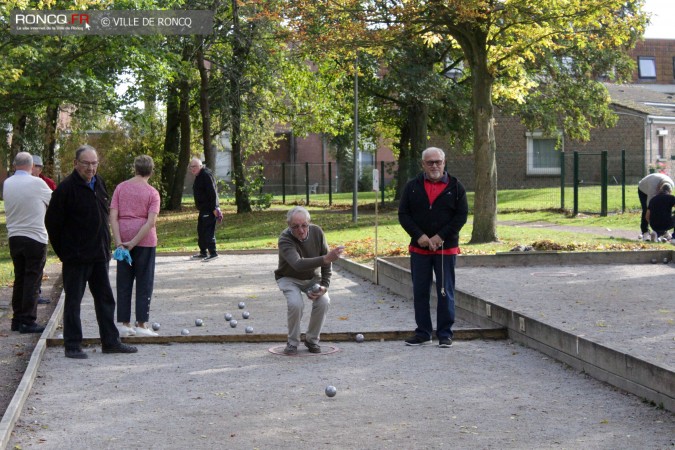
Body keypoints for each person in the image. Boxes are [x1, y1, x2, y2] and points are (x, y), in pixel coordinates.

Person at [45, 145, 137, 359]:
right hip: (76, 257)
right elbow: (52, 223)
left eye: (94, 163)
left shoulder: (100, 183)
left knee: (105, 299)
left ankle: (111, 341)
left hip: (99, 255)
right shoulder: (66, 189)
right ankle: (73, 345)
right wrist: (65, 253)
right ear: (76, 164)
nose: (90, 167)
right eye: (86, 163)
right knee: (73, 301)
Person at [398, 147, 468, 348]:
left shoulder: (456, 187)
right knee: (420, 291)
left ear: (444, 162)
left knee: (445, 290)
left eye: (438, 161)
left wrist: (440, 237)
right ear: (423, 165)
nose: (434, 166)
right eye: (430, 162)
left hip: (446, 249)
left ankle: (445, 334)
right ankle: (423, 333)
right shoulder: (412, 186)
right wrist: (419, 236)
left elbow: (461, 216)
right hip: (419, 249)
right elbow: (404, 215)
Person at [274, 206, 344, 355]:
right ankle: (292, 342)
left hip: (312, 278)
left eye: (304, 225)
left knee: (324, 301)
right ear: (289, 226)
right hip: (288, 277)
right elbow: (298, 264)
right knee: (295, 303)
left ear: (309, 223)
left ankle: (312, 340)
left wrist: (325, 285)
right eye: (296, 226)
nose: (301, 230)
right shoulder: (285, 239)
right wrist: (325, 258)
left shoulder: (317, 232)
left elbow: (327, 262)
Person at [110, 155, 161, 337]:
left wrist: (119, 242)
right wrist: (134, 242)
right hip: (145, 241)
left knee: (124, 282)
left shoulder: (120, 188)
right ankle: (141, 324)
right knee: (144, 281)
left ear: (135, 169)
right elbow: (150, 223)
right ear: (151, 171)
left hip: (122, 239)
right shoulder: (152, 193)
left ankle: (124, 323)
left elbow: (113, 217)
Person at [4, 152, 53, 334]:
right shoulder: (37, 183)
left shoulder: (7, 183)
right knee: (33, 278)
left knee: (20, 278)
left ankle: (17, 320)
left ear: (15, 165)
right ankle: (28, 320)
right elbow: (54, 201)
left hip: (14, 236)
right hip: (35, 236)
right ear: (32, 166)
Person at [31, 155, 56, 304]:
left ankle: (36, 292)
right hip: (30, 226)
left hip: (44, 224)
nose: (34, 169)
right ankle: (33, 294)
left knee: (39, 262)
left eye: (37, 167)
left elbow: (56, 200)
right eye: (33, 166)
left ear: (40, 169)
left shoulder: (46, 183)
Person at [188, 157, 220, 262]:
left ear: (200, 166)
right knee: (201, 230)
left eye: (195, 166)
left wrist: (215, 207)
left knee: (208, 231)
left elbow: (212, 192)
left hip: (209, 209)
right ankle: (203, 252)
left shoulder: (206, 175)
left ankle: (213, 253)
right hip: (203, 209)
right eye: (191, 167)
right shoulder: (199, 176)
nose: (192, 169)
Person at [638, 173, 674, 241]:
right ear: (660, 188)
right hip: (643, 189)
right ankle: (645, 232)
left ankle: (662, 231)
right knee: (646, 209)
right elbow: (650, 206)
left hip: (656, 185)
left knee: (661, 207)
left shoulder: (671, 184)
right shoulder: (653, 186)